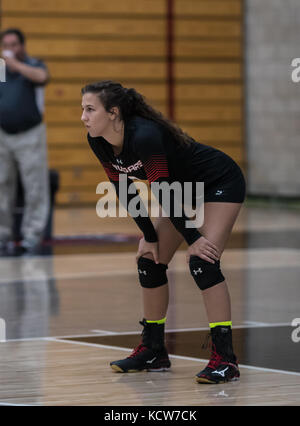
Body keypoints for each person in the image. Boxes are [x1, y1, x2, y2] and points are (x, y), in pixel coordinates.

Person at [81, 80, 246, 384]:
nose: (84, 117)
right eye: (83, 109)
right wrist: (149, 236)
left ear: (114, 112)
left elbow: (163, 191)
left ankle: (225, 359)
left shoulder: (144, 135)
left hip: (218, 181)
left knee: (203, 262)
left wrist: (194, 239)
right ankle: (154, 349)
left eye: (90, 109)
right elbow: (126, 192)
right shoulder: (98, 139)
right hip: (180, 192)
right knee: (149, 260)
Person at [0, 28, 50, 256]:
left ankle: (32, 236)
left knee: (34, 186)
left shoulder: (33, 65)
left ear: (22, 46)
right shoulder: (0, 70)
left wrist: (16, 65)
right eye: (6, 45)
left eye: (14, 44)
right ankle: (2, 235)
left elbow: (42, 78)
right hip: (3, 135)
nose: (10, 49)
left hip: (29, 135)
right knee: (2, 185)